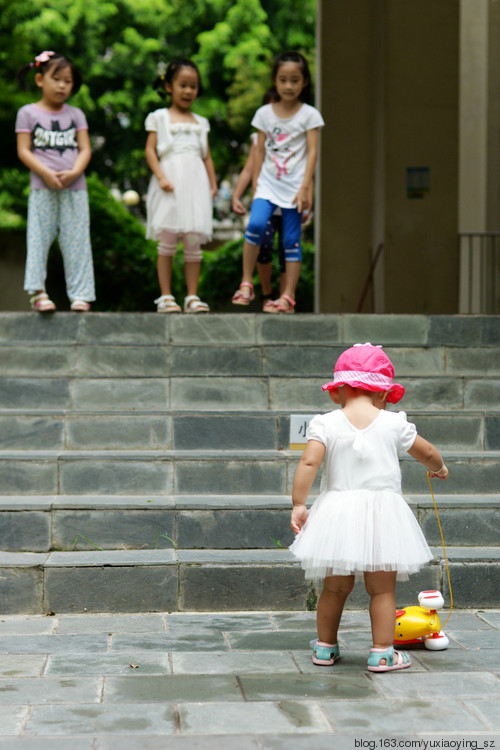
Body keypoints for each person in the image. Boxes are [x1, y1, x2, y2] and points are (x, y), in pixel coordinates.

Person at [289, 343, 449, 672]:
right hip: (382, 516)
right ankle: (381, 652)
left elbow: (309, 462)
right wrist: (439, 468)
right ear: (384, 395)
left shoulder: (325, 423)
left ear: (337, 392)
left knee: (334, 587)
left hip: (337, 514)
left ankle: (324, 648)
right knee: (381, 590)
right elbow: (427, 451)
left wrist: (299, 504)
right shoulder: (394, 424)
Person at [231, 51, 324, 313]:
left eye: (295, 80)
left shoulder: (310, 115)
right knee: (256, 225)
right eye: (283, 80)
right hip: (268, 185)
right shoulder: (264, 114)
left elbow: (313, 152)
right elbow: (258, 151)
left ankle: (287, 296)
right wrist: (257, 185)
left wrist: (306, 187)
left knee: (290, 242)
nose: (289, 86)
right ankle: (246, 282)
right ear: (275, 81)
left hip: (295, 188)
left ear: (304, 82)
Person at [15, 51, 95, 313]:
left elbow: (85, 149)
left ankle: (81, 295)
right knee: (38, 238)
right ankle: (38, 293)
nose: (62, 85)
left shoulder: (76, 114)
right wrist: (47, 174)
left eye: (68, 81)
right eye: (56, 78)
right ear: (39, 79)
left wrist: (73, 173)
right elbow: (23, 150)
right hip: (42, 188)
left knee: (77, 239)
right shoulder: (27, 113)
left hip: (75, 188)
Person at [145, 58, 217, 313]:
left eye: (193, 86)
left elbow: (206, 155)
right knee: (167, 240)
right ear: (169, 87)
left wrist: (213, 183)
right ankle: (165, 295)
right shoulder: (159, 117)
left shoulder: (201, 122)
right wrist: (161, 176)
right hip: (170, 184)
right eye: (183, 85)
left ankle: (192, 295)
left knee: (193, 243)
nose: (188, 91)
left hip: (195, 185)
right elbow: (150, 150)